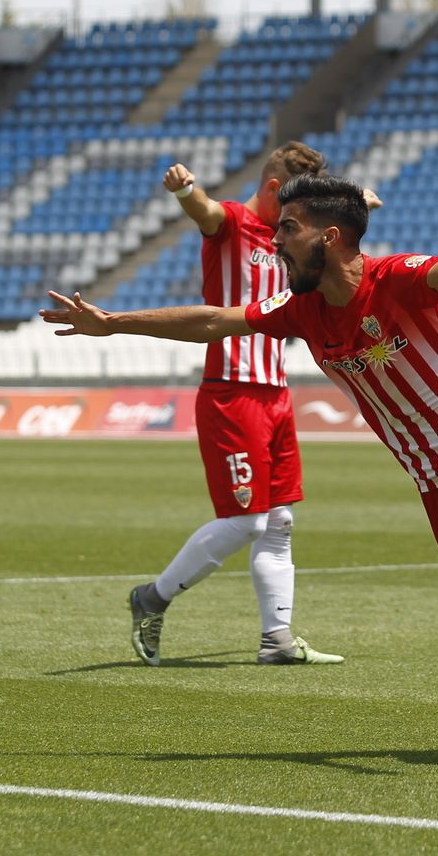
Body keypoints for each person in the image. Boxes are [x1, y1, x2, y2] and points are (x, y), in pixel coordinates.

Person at [44, 174, 438, 750]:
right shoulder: (303, 310)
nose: (274, 242)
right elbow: (215, 320)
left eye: (286, 229)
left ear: (332, 236)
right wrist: (114, 322)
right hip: (433, 481)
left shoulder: (395, 277)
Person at [126, 143, 347, 667]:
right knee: (246, 521)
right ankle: (150, 598)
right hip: (231, 389)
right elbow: (202, 209)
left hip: (275, 391)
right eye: (295, 203)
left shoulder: (287, 238)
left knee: (279, 522)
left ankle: (278, 641)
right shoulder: (231, 223)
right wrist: (185, 189)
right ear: (274, 189)